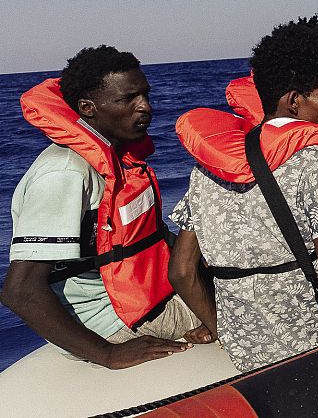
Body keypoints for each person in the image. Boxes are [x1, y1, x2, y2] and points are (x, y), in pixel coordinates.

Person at [168, 16, 318, 372]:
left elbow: (182, 271)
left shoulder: (209, 165)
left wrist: (226, 333)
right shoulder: (317, 159)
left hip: (245, 355)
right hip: (314, 343)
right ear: (294, 102)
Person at [3, 47, 207, 369]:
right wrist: (108, 355)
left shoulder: (120, 159)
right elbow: (21, 291)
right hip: (108, 325)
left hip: (143, 299)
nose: (146, 107)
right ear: (88, 108)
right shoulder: (65, 173)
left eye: (145, 94)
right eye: (128, 99)